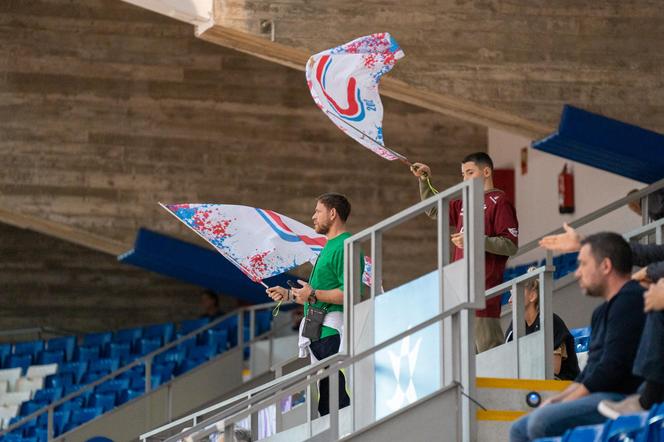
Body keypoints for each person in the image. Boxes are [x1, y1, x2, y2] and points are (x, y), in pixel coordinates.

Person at [509, 232, 646, 441]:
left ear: (606, 266)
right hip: (600, 394)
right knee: (519, 428)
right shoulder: (601, 311)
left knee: (540, 422)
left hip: (623, 398)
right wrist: (557, 400)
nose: (577, 273)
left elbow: (610, 371)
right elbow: (589, 372)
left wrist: (566, 402)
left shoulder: (631, 300)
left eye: (583, 264)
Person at [411, 152, 519, 352]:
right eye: (463, 174)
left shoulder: (499, 201)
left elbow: (510, 245)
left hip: (483, 291)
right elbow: (434, 210)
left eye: (470, 172)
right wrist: (425, 181)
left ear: (486, 172)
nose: (465, 178)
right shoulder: (464, 202)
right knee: (464, 363)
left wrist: (473, 239)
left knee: (488, 355)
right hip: (460, 291)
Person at [266, 193, 359, 416]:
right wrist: (289, 295)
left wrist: (313, 293)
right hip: (318, 333)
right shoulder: (328, 247)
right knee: (325, 405)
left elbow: (351, 293)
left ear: (333, 213)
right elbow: (315, 294)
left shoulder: (346, 245)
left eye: (318, 211)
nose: (313, 216)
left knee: (336, 403)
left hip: (331, 333)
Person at [504, 267, 580, 380]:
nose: (509, 300)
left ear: (532, 296)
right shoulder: (514, 326)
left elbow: (554, 370)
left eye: (515, 294)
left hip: (562, 386)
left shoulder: (550, 321)